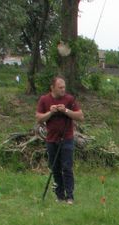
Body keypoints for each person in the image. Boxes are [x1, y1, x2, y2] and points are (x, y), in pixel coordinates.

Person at [36, 76, 83, 205]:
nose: (63, 90)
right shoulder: (44, 100)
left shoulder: (70, 99)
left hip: (67, 138)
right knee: (55, 168)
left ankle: (70, 196)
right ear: (52, 88)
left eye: (64, 87)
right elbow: (39, 118)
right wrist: (50, 113)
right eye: (60, 87)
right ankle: (59, 195)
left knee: (67, 167)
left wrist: (66, 110)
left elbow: (80, 116)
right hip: (51, 139)